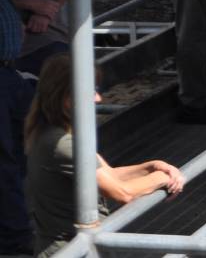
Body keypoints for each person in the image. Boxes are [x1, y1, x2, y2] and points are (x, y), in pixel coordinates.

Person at [25, 55, 185, 256]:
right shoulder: (63, 144)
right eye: (91, 91)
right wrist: (163, 178)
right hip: (73, 249)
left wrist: (153, 166)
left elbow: (107, 174)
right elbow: (122, 192)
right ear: (66, 97)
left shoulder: (55, 132)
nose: (98, 98)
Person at [0, 0, 34, 256]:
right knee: (5, 160)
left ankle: (16, 227)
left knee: (20, 152)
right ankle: (14, 235)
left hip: (9, 71)